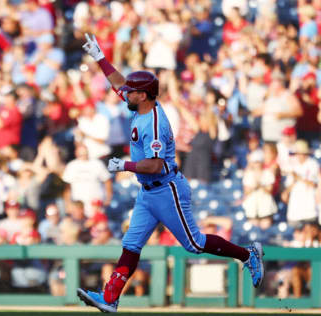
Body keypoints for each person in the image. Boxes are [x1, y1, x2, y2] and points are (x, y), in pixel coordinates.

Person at [77, 33, 265, 313]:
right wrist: (100, 58)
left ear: (143, 95)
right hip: (148, 191)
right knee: (131, 245)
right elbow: (118, 82)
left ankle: (248, 254)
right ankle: (110, 298)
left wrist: (123, 165)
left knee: (194, 243)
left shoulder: (154, 123)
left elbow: (154, 165)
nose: (125, 93)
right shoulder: (142, 106)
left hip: (166, 188)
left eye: (131, 91)